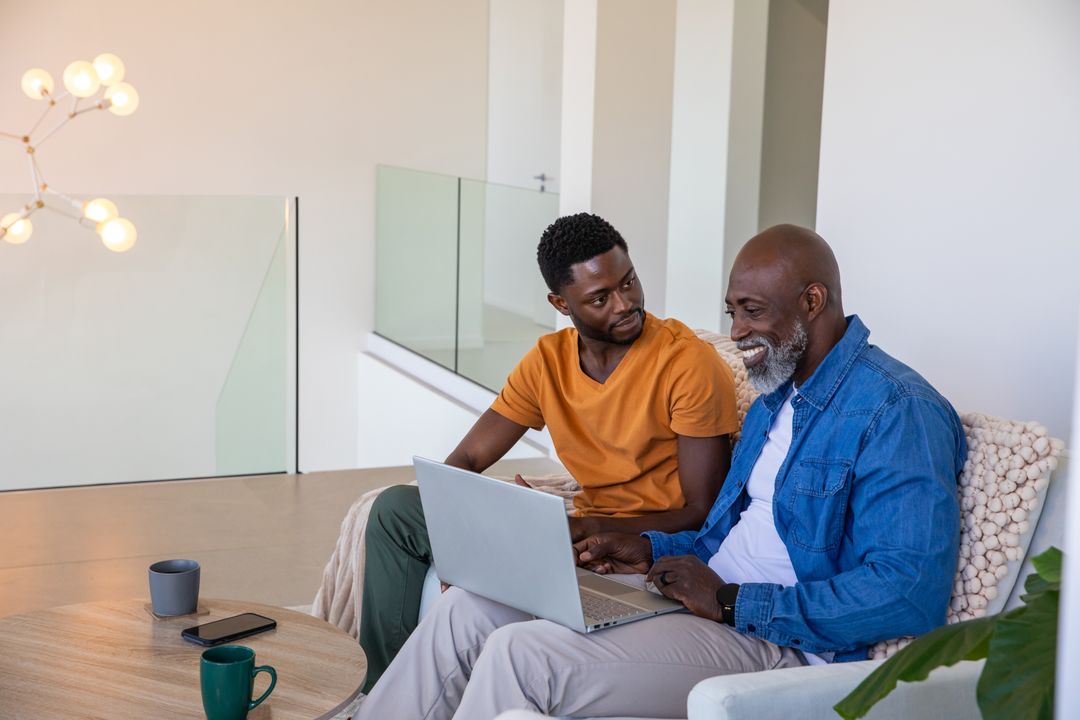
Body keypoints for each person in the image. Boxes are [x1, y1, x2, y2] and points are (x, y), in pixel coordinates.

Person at [357, 224, 966, 720]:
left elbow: (908, 593)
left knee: (522, 655)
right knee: (468, 609)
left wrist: (730, 600)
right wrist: (646, 547)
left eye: (752, 312)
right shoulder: (779, 397)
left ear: (813, 300)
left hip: (777, 640)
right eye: (732, 312)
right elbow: (722, 530)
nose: (737, 333)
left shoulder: (898, 411)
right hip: (698, 591)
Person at [358, 213, 740, 692]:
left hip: (634, 545)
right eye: (600, 298)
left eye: (629, 282)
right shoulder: (548, 361)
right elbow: (467, 462)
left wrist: (590, 527)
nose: (625, 304)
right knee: (396, 509)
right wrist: (463, 537)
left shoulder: (687, 366)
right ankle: (380, 686)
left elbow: (701, 513)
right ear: (561, 303)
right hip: (569, 532)